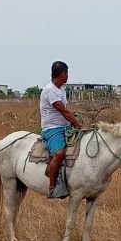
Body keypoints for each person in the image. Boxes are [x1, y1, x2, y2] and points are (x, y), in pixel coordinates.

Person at [40, 61, 85, 199]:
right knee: (59, 154)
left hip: (64, 127)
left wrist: (73, 118)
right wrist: (79, 125)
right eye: (67, 73)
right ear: (62, 74)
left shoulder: (61, 90)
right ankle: (53, 187)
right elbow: (63, 111)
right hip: (52, 129)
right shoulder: (50, 90)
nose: (68, 76)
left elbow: (65, 111)